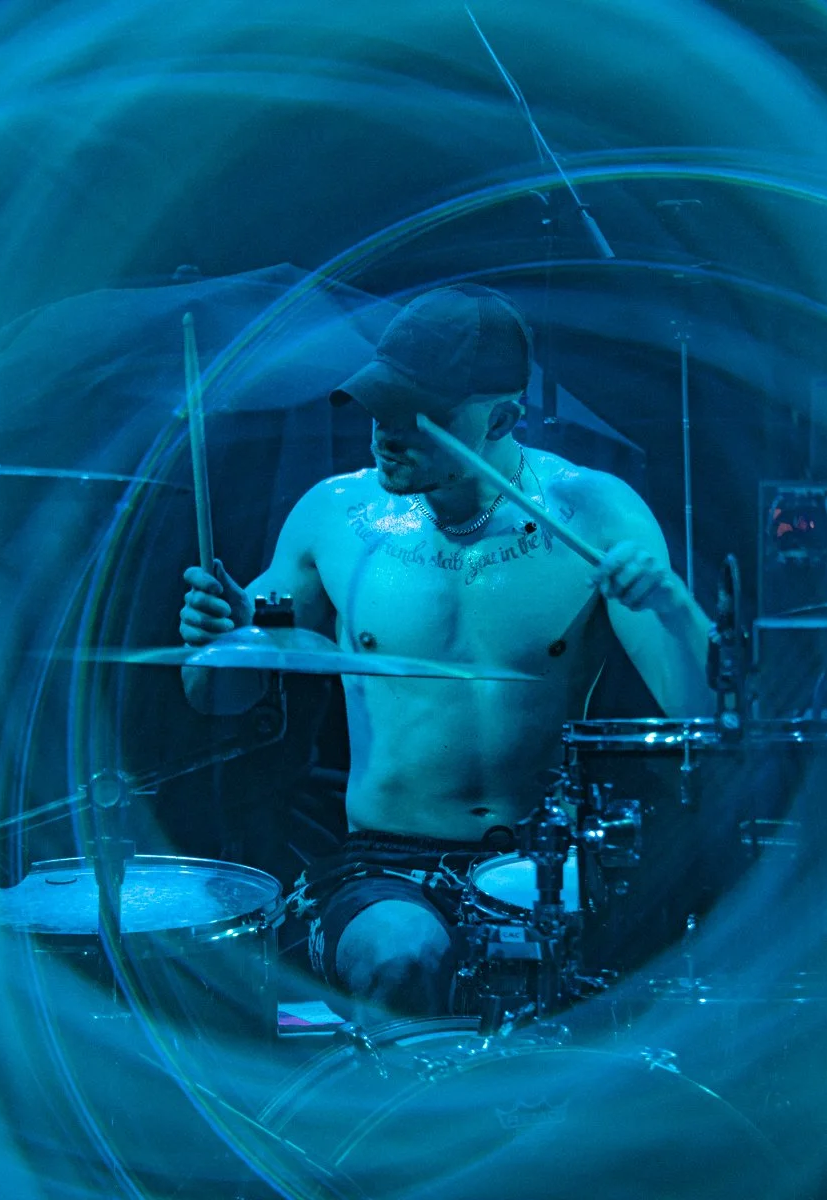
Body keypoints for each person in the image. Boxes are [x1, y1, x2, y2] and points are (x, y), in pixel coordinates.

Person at [179, 283, 713, 1015]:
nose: (386, 433)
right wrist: (223, 642)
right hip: (384, 861)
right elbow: (218, 700)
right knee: (402, 954)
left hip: (542, 856)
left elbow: (699, 710)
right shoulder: (335, 517)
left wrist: (672, 606)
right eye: (379, 405)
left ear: (503, 418)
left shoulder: (592, 512)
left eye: (418, 415)